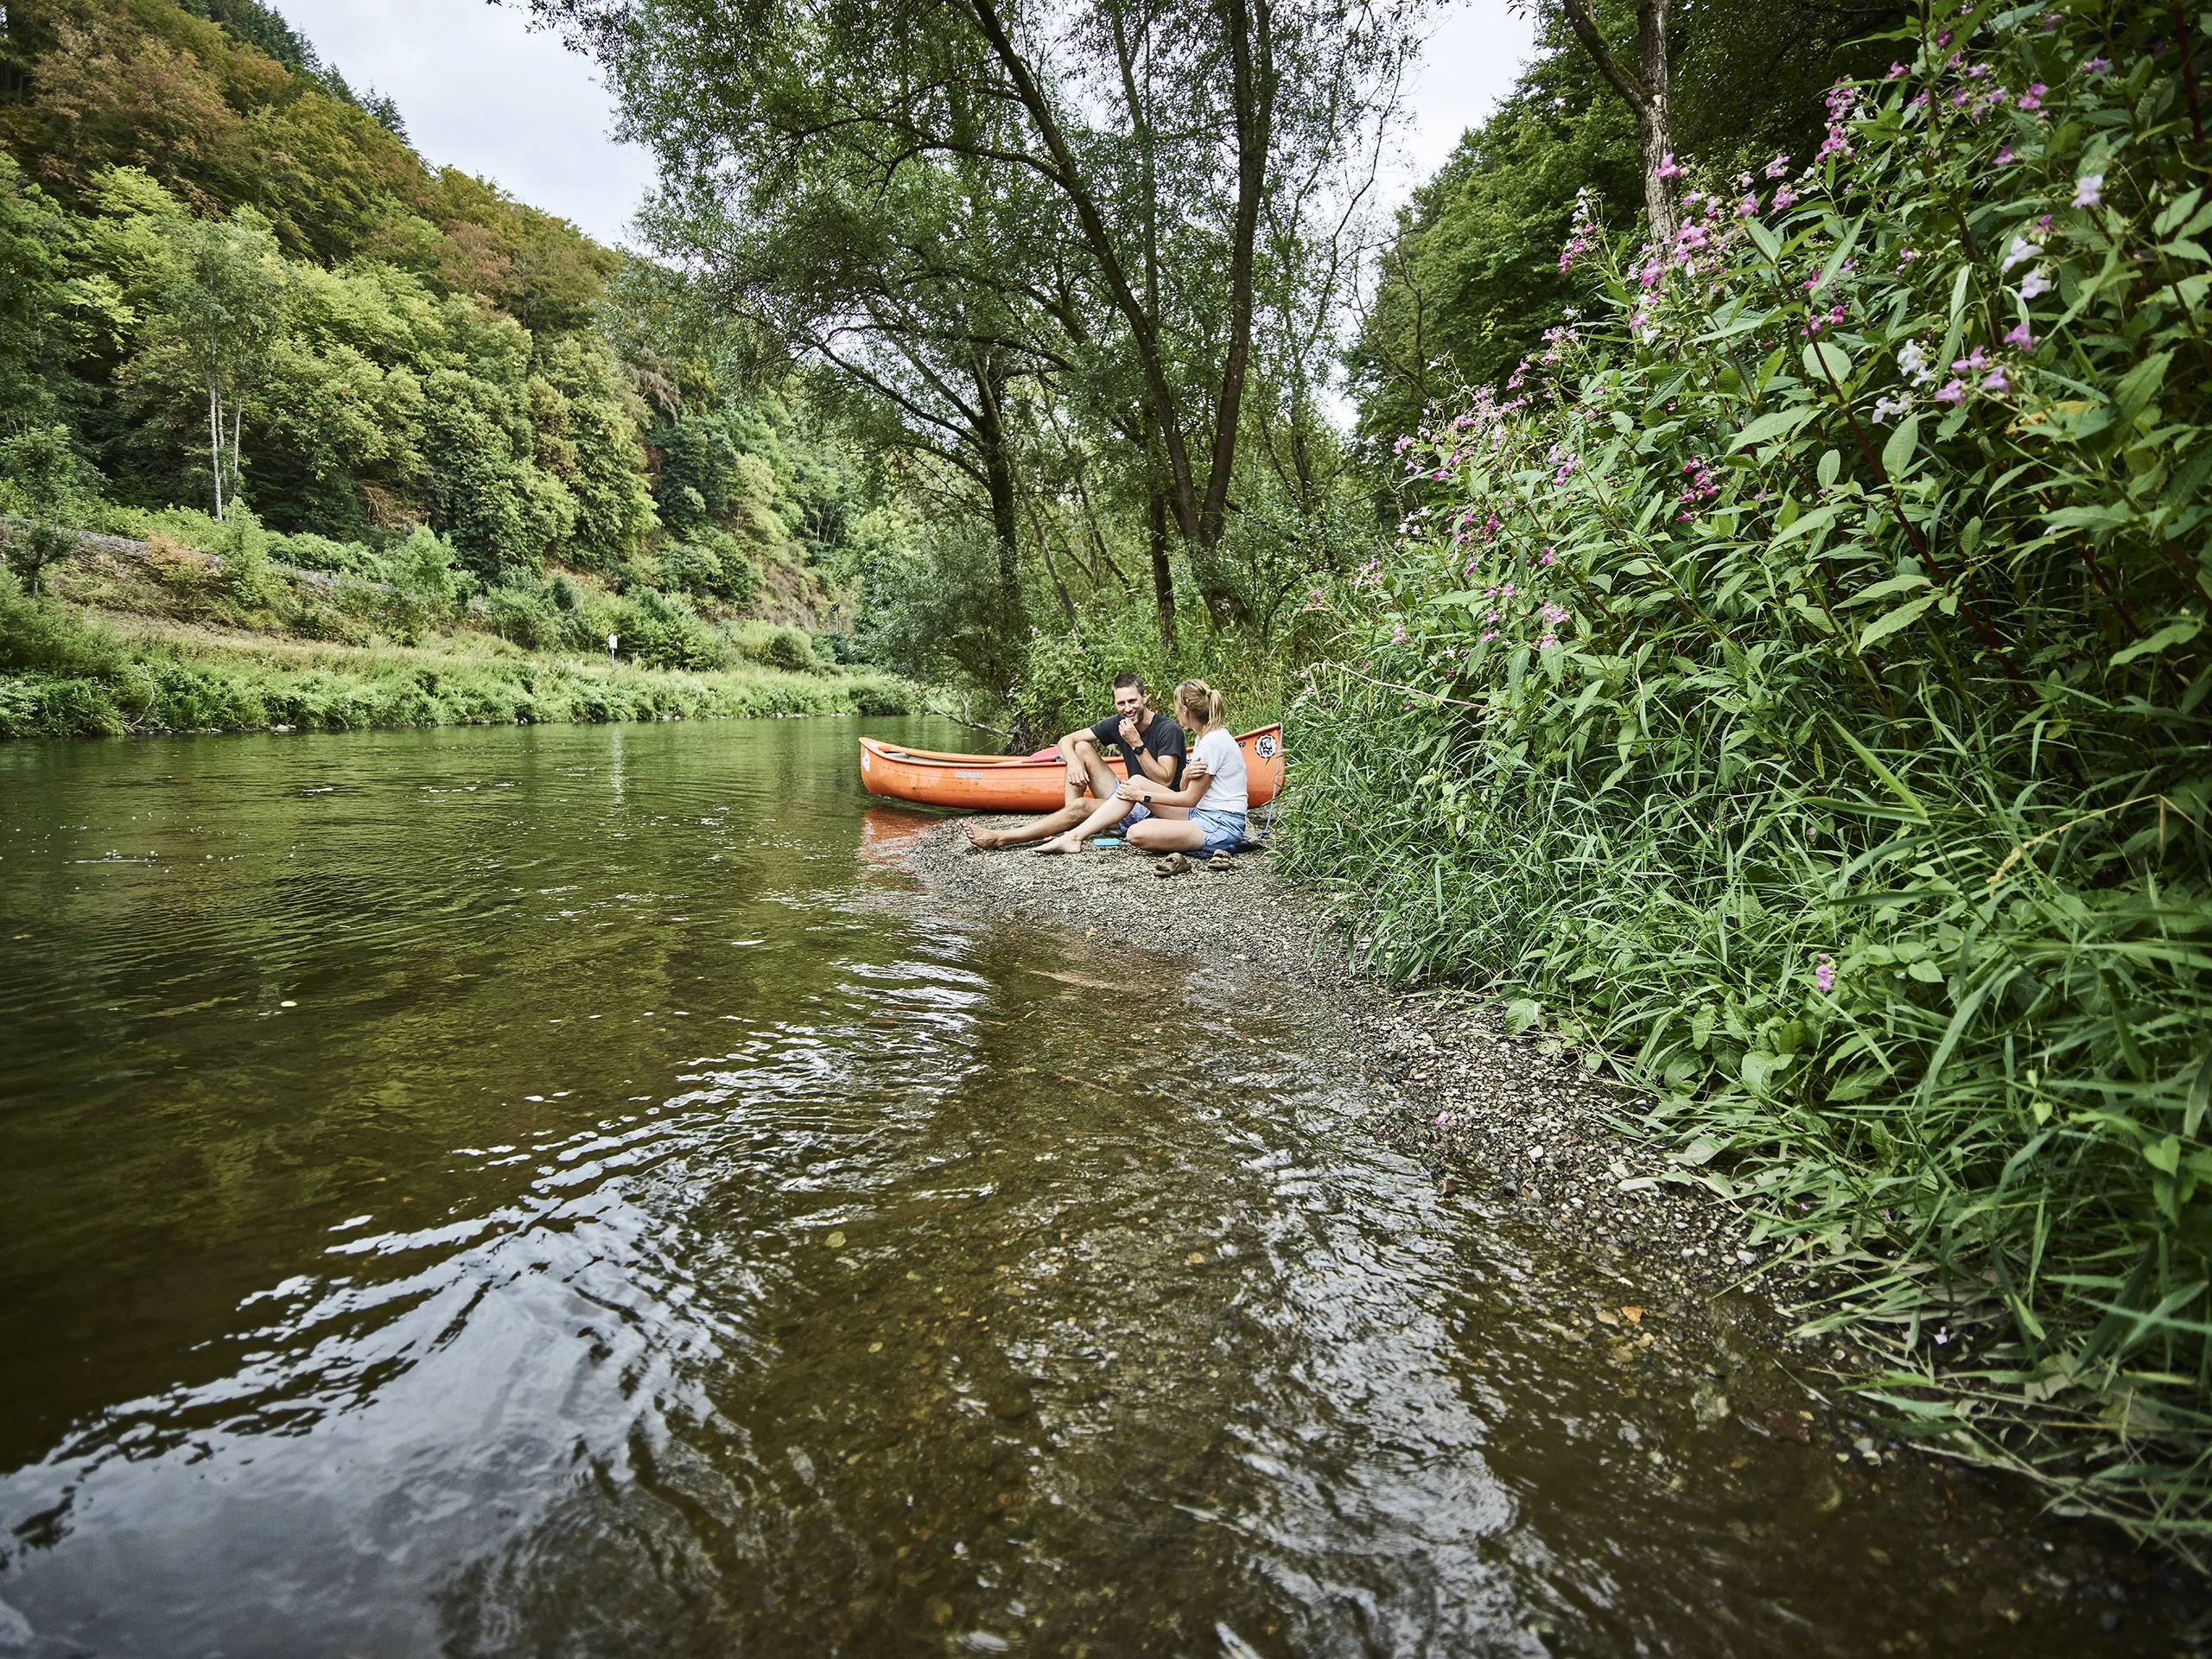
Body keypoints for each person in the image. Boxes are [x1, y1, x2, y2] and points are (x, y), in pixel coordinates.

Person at [961, 671, 1187, 851]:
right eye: (1121, 704)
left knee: (1081, 806)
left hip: (1154, 806)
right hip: (1129, 795)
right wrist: (1075, 764)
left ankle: (1001, 838)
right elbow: (1066, 740)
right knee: (1080, 748)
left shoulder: (1168, 730)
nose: (1127, 709)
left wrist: (1137, 744)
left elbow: (1164, 781)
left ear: (1145, 698)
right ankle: (1070, 819)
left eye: (1132, 701)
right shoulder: (1118, 722)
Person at [1033, 678, 1246, 863]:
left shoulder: (1213, 742)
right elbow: (1186, 790)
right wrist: (1186, 775)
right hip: (1201, 813)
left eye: (1176, 706)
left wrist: (1141, 796)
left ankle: (1074, 835)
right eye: (1121, 703)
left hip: (1220, 824)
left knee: (1136, 833)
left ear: (1185, 710)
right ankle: (1074, 836)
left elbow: (1189, 798)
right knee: (1135, 780)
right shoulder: (1203, 738)